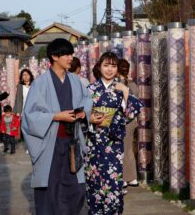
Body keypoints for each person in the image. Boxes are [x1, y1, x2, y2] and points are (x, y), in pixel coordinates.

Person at [21, 38, 93, 215]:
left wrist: (84, 112)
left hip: (72, 142)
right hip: (50, 144)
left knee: (76, 189)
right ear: (54, 56)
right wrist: (55, 116)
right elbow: (29, 116)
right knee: (51, 188)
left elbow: (86, 100)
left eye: (71, 54)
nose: (70, 58)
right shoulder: (41, 83)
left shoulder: (75, 81)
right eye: (66, 54)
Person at [85, 52, 143, 214]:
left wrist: (125, 91)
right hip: (94, 142)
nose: (110, 70)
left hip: (114, 143)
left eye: (113, 66)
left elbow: (133, 111)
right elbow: (80, 114)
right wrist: (89, 119)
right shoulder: (90, 89)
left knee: (114, 186)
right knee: (95, 183)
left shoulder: (120, 88)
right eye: (106, 65)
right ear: (99, 67)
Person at [117, 59, 140, 189]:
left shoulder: (116, 85)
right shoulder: (133, 85)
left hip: (119, 120)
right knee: (129, 149)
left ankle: (124, 178)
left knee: (119, 149)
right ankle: (133, 178)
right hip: (131, 121)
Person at [13, 68, 34, 153]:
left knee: (32, 129)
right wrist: (17, 111)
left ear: (30, 75)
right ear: (21, 77)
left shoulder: (34, 85)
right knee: (25, 129)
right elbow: (18, 99)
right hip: (24, 111)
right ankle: (28, 146)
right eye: (23, 75)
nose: (25, 76)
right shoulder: (20, 87)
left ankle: (32, 146)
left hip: (33, 111)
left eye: (27, 74)